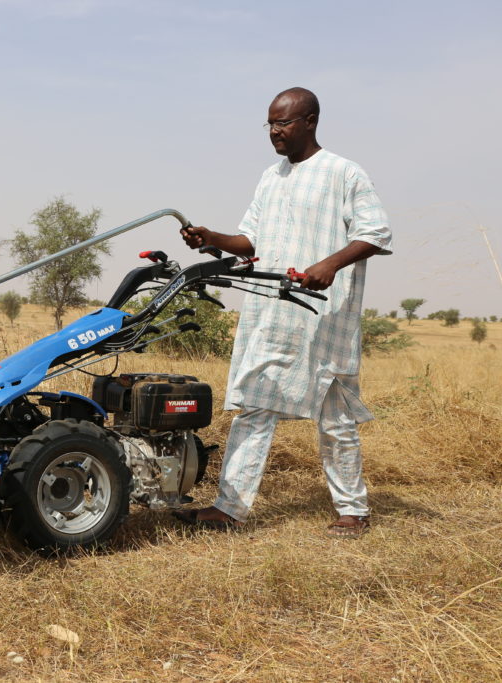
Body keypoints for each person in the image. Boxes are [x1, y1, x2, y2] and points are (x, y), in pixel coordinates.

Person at [176, 87, 393, 538]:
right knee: (254, 405)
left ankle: (353, 511)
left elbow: (376, 232)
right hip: (272, 313)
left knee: (335, 418)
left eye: (283, 123)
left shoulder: (343, 172)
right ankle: (228, 508)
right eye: (269, 124)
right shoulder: (270, 178)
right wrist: (210, 237)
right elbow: (250, 241)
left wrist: (329, 265)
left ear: (310, 121)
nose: (274, 131)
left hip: (323, 316)